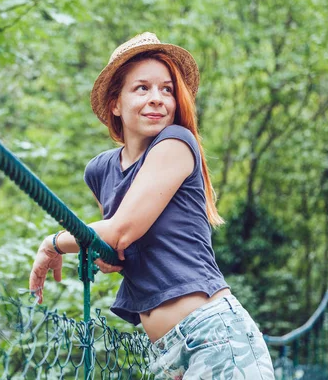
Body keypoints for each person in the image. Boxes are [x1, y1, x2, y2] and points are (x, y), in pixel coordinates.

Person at [29, 32, 275, 379]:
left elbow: (120, 231)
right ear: (115, 103)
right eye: (142, 88)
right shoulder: (100, 170)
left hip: (213, 336)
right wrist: (105, 252)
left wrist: (53, 243)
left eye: (167, 89)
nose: (157, 99)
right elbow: (118, 251)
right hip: (163, 353)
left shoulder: (176, 143)